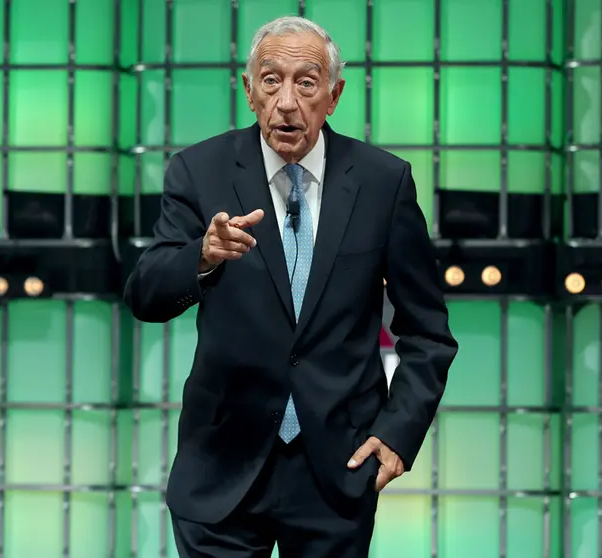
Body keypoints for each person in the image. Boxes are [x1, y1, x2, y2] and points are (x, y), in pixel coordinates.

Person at [123, 15, 458, 557]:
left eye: (306, 81)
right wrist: (202, 258)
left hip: (337, 471)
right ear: (249, 90)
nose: (286, 101)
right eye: (271, 79)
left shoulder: (383, 182)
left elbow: (428, 333)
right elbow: (145, 295)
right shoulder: (198, 171)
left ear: (334, 95)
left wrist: (399, 432)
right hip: (221, 468)